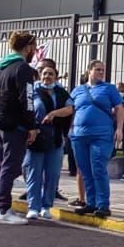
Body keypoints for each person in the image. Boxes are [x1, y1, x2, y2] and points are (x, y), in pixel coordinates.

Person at [0, 32, 41, 224]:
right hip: (13, 123)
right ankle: (4, 209)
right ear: (28, 48)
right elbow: (28, 99)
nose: (35, 50)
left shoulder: (1, 66)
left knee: (0, 165)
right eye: (34, 46)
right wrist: (31, 125)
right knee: (10, 165)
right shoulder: (23, 68)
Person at [69, 59, 124, 219]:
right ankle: (90, 202)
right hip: (79, 136)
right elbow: (70, 109)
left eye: (103, 70)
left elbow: (119, 108)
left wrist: (119, 129)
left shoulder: (109, 89)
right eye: (98, 69)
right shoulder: (78, 90)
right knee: (85, 170)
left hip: (101, 135)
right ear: (89, 71)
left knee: (98, 168)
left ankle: (103, 204)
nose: (101, 72)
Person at [25, 64, 73, 220]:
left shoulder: (61, 92)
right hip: (36, 137)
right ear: (40, 75)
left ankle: (46, 206)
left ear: (56, 77)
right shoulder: (33, 92)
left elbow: (70, 109)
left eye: (51, 74)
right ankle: (33, 206)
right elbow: (26, 110)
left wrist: (53, 113)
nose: (47, 77)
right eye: (44, 73)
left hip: (55, 138)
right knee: (34, 173)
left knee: (52, 174)